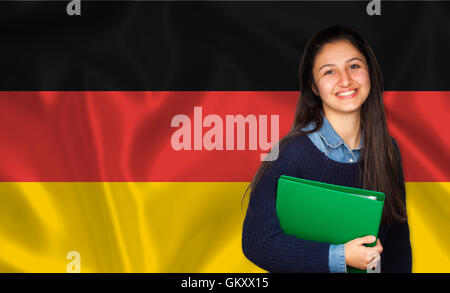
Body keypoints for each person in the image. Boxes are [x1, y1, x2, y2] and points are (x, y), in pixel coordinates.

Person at [242, 26, 412, 273]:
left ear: (370, 73)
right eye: (329, 71)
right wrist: (340, 256)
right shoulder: (288, 154)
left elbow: (397, 243)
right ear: (313, 86)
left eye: (354, 66)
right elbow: (258, 243)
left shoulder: (388, 150)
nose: (345, 80)